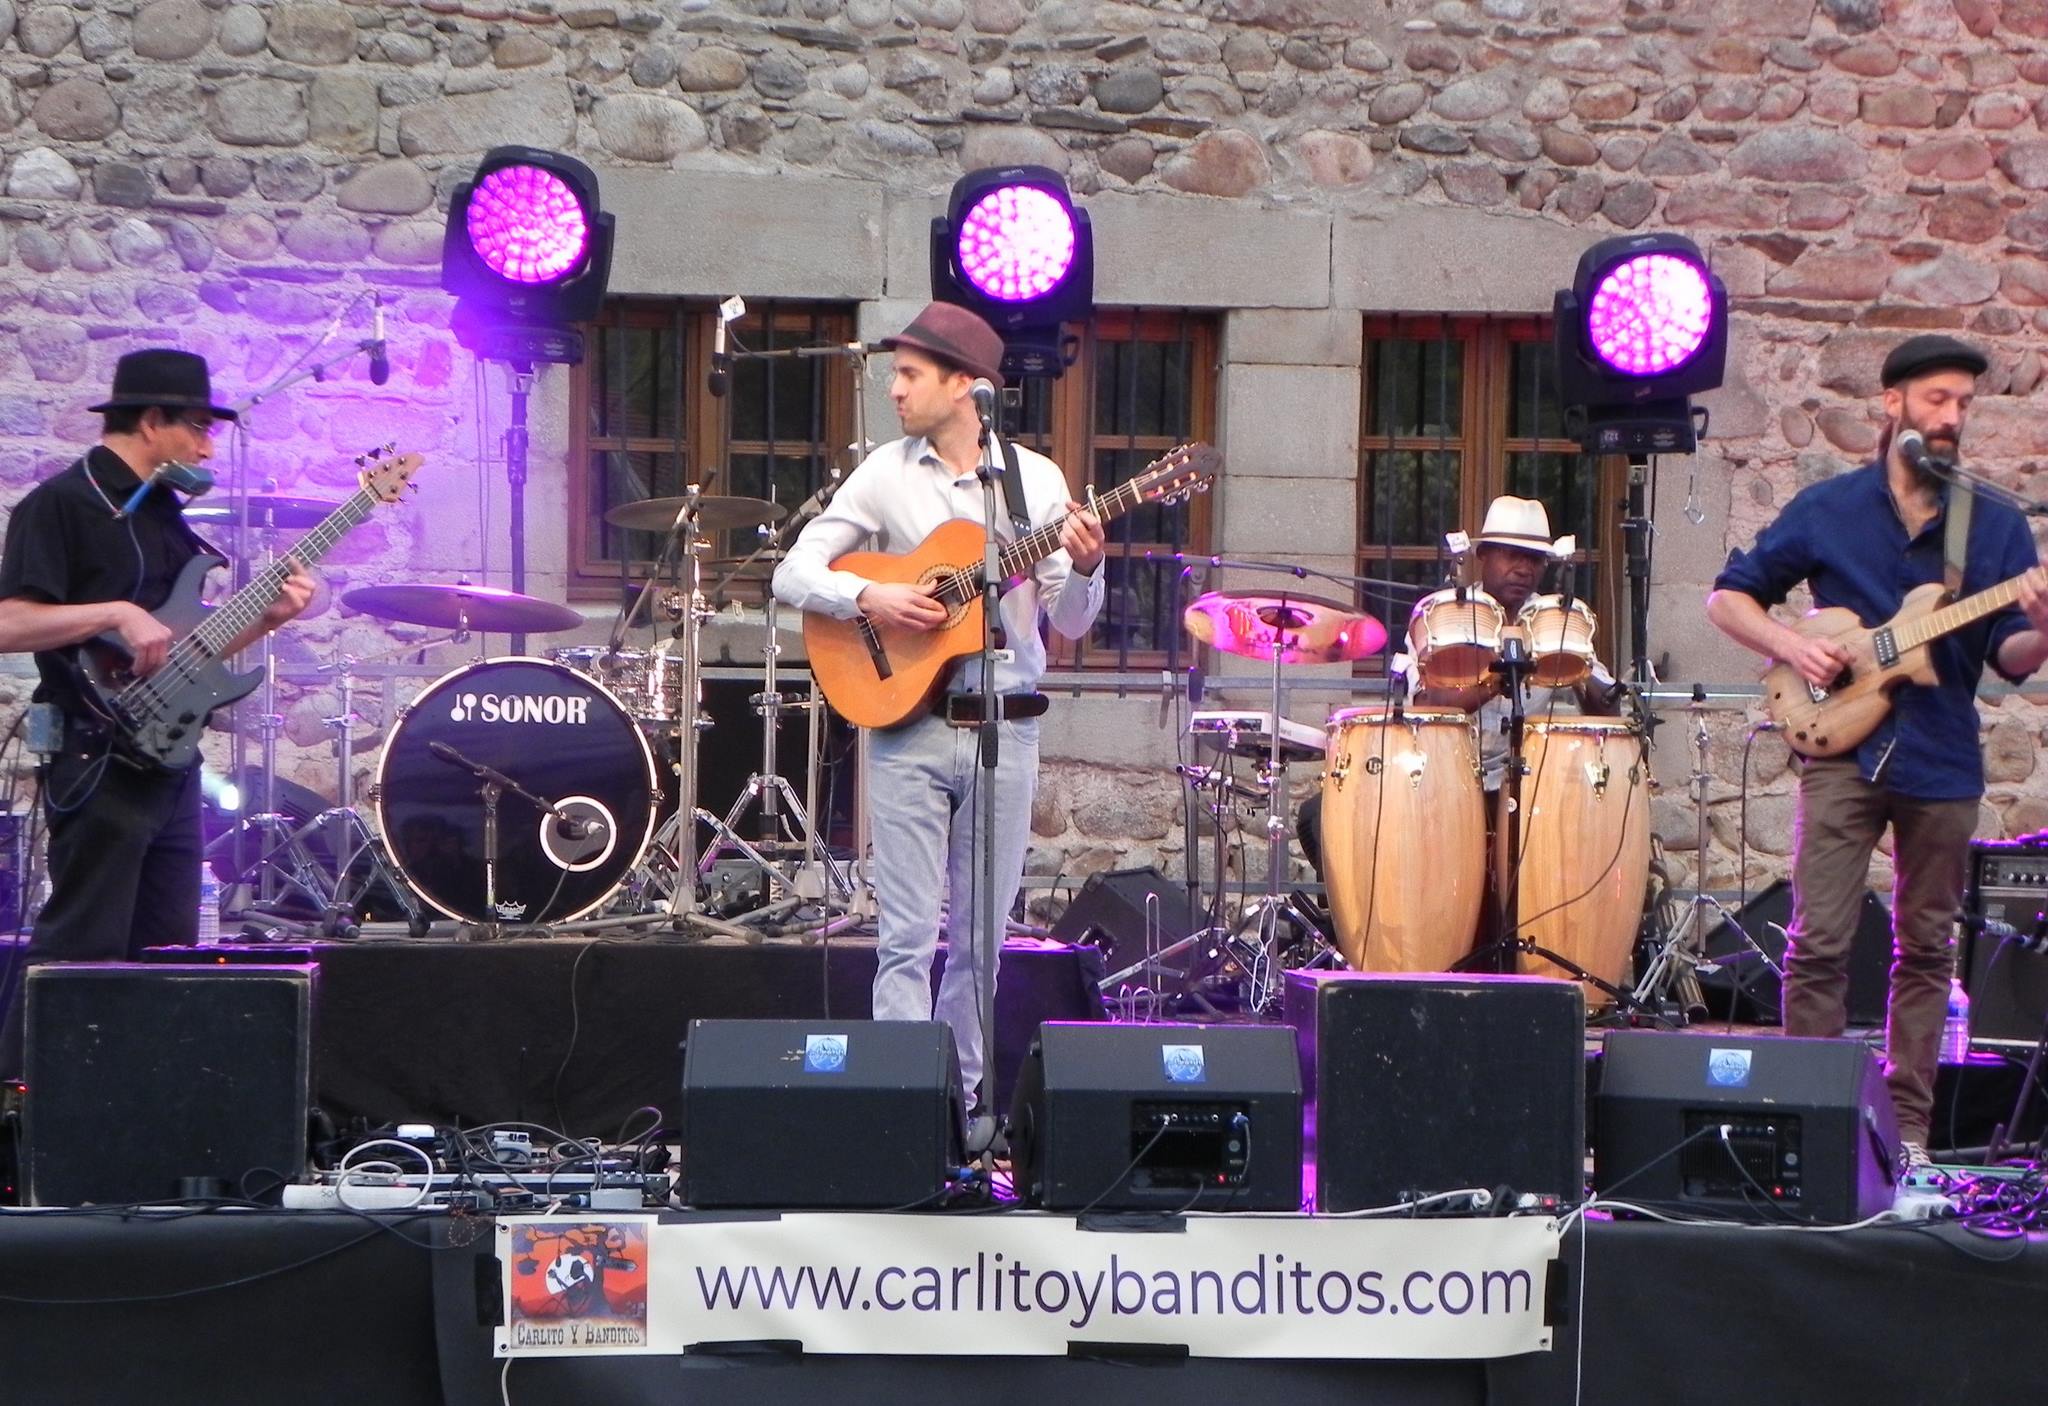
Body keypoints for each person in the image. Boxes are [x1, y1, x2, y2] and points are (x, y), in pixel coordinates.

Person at [1707, 333, 2048, 1163]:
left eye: (1963, 403)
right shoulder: (1830, 508)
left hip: (1942, 756)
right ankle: (1809, 1119)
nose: (1952, 416)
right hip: (1842, 750)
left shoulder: (1994, 524)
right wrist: (1794, 648)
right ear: (1891, 404)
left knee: (1927, 950)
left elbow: (2010, 658)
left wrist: (2043, 625)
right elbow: (1728, 600)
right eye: (1937, 399)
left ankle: (1910, 1133)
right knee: (1818, 941)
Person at [772, 303, 1105, 1105]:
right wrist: (870, 597)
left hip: (1005, 729)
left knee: (981, 944)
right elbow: (792, 572)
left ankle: (961, 1109)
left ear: (966, 386)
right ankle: (898, 1105)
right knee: (906, 936)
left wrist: (1090, 568)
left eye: (910, 374)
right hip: (908, 728)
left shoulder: (1035, 481)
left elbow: (1068, 622)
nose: (894, 389)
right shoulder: (885, 473)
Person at [0, 349, 315, 1080]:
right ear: (150, 421)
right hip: (94, 754)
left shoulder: (166, 516)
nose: (207, 449)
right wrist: (113, 611)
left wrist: (268, 619)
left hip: (169, 759)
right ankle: (25, 1107)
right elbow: (9, 622)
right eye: (198, 428)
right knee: (82, 946)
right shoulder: (61, 504)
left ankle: (137, 1104)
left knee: (169, 950)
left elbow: (179, 652)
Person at [1298, 494, 1618, 877]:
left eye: (1534, 559)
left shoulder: (1554, 620)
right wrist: (1498, 678)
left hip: (1529, 787)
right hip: (1443, 781)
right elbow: (1424, 704)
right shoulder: (1444, 613)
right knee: (1318, 814)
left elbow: (1607, 708)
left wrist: (1578, 663)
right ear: (1483, 555)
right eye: (1511, 555)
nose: (1523, 569)